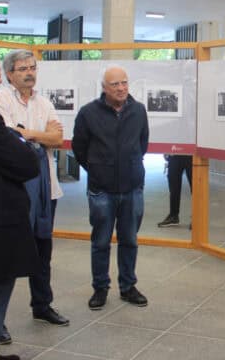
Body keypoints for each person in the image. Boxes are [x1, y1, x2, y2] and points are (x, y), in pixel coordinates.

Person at [0, 49, 69, 327]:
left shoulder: (44, 101)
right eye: (22, 68)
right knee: (7, 256)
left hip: (47, 190)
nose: (29, 72)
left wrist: (30, 133)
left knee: (42, 252)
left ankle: (42, 305)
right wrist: (38, 136)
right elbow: (9, 138)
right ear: (9, 73)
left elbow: (58, 139)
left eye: (32, 67)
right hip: (16, 190)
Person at [0, 37, 40, 360]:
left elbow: (52, 136)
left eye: (33, 67)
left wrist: (21, 135)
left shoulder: (40, 102)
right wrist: (26, 139)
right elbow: (29, 161)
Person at [72, 65, 150, 311]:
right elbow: (79, 148)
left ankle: (128, 286)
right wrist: (97, 169)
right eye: (115, 84)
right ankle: (100, 288)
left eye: (124, 83)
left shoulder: (138, 111)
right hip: (101, 190)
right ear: (104, 88)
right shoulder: (88, 113)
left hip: (132, 188)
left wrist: (131, 165)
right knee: (101, 241)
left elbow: (143, 144)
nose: (121, 88)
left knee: (130, 240)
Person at [157, 154, 193, 227]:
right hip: (175, 153)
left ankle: (197, 218)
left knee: (195, 187)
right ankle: (173, 216)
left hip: (192, 154)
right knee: (173, 186)